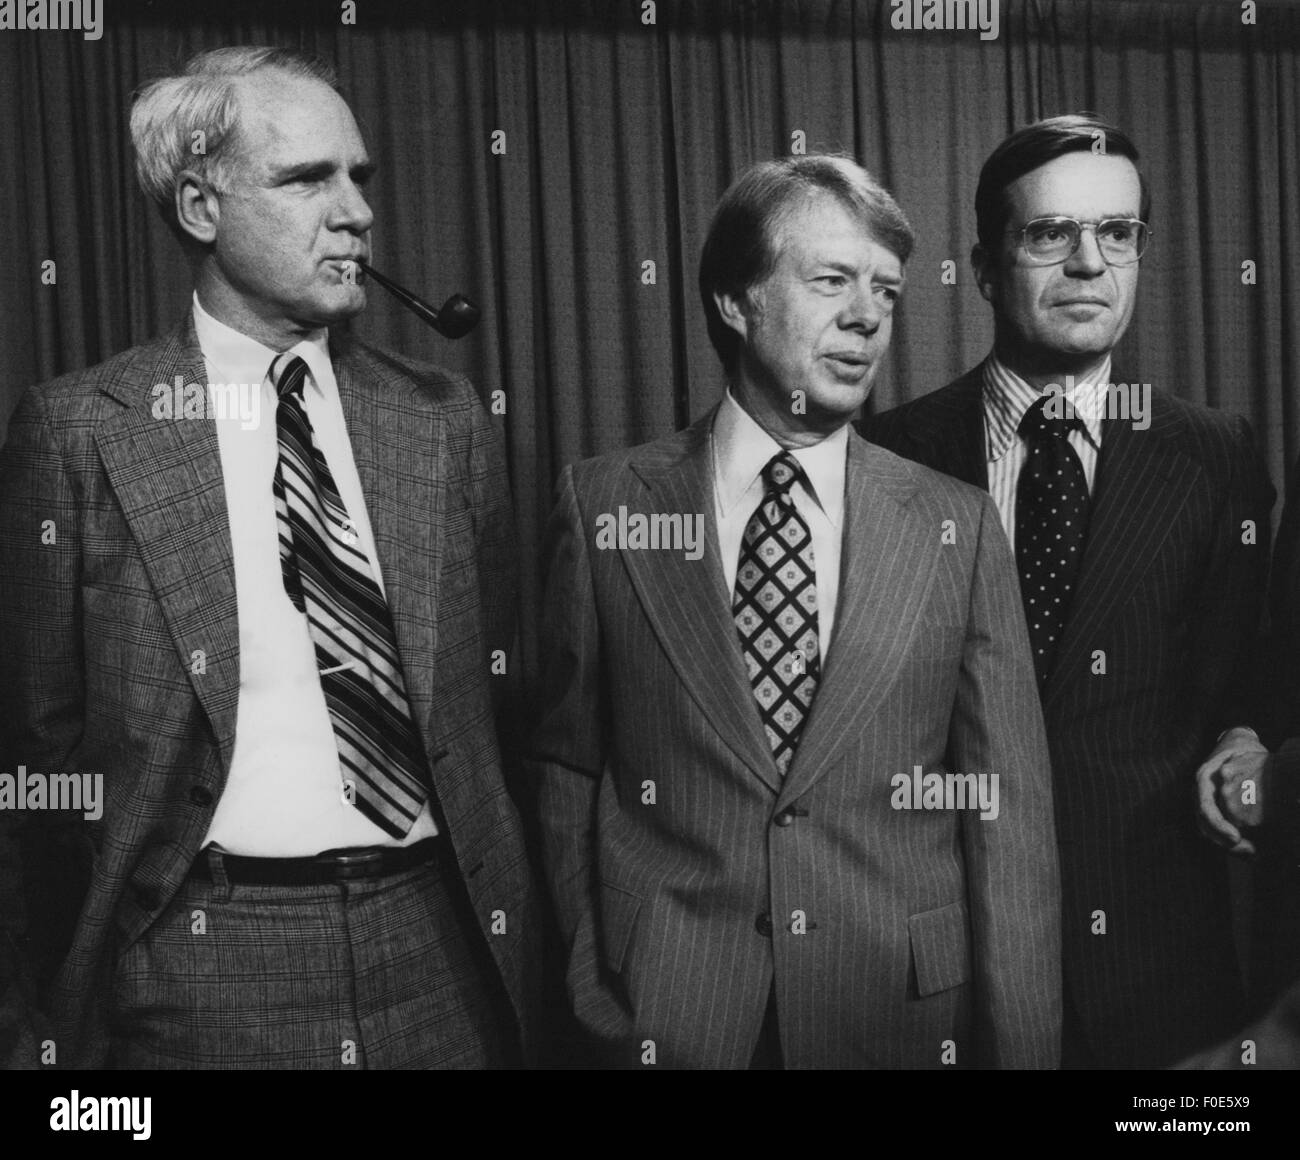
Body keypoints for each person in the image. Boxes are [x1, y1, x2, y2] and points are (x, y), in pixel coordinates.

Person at [0, 46, 539, 1069]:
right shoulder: (77, 431)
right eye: (306, 178)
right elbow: (32, 756)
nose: (356, 212)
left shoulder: (445, 420)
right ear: (200, 206)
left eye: (358, 177)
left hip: (449, 946)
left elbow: (504, 706)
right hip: (200, 961)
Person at [528, 154, 1061, 1069]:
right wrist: (595, 986)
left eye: (886, 292)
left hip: (898, 1019)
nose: (867, 316)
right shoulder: (604, 504)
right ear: (736, 302)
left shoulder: (956, 526)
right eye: (831, 282)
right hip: (669, 1016)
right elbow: (565, 765)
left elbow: (1004, 817)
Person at [865, 113, 1274, 1068]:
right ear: (987, 266)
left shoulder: (1217, 456)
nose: (1090, 262)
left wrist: (1248, 734)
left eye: (1118, 233)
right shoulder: (884, 456)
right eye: (1051, 234)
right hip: (938, 964)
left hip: (1158, 970)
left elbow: (1248, 675)